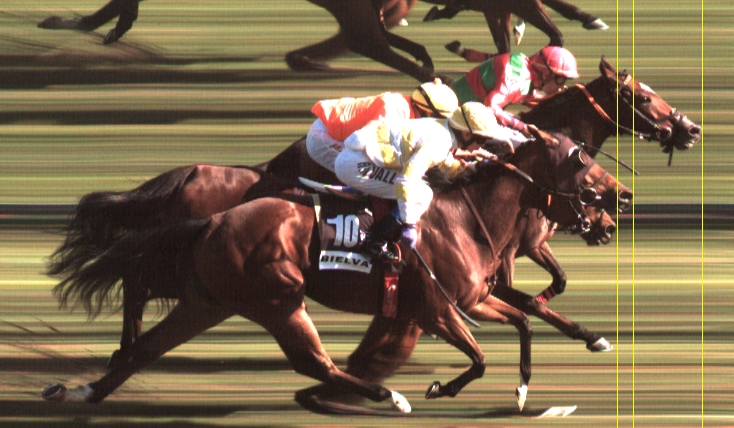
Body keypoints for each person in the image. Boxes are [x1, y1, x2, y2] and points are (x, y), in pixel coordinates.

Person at [334, 102, 503, 261]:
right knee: (423, 194)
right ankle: (376, 240)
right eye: (481, 140)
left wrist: (472, 167)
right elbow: (405, 181)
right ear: (466, 134)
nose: (482, 146)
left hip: (358, 157)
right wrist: (409, 224)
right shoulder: (439, 142)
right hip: (355, 165)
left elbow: (444, 164)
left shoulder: (442, 129)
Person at [306, 79, 459, 173]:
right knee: (378, 174)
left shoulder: (409, 108)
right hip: (325, 137)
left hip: (340, 133)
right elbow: (363, 142)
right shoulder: (395, 110)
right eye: (440, 119)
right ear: (428, 112)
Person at [450, 46, 579, 139]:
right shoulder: (517, 79)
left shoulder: (524, 65)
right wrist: (522, 127)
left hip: (466, 109)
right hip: (457, 114)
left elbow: (524, 97)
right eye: (561, 80)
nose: (562, 86)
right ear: (546, 75)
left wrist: (551, 98)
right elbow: (491, 106)